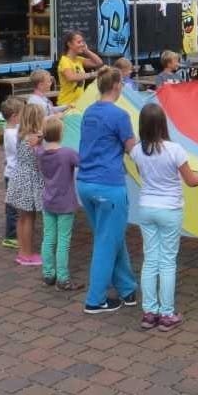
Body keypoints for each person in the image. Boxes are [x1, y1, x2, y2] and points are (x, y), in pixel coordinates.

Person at [131, 103, 198, 332]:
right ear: (162, 124)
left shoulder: (137, 151)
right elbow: (191, 181)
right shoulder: (175, 150)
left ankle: (149, 313)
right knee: (167, 261)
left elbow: (142, 174)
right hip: (169, 209)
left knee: (150, 260)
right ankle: (167, 314)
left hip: (146, 208)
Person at [77, 66, 139, 314]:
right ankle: (95, 300)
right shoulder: (120, 115)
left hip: (85, 183)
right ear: (115, 86)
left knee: (111, 238)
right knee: (106, 243)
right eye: (121, 83)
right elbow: (132, 149)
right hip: (108, 186)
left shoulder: (89, 112)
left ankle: (127, 288)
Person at [36, 117, 82, 291]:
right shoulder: (67, 153)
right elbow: (83, 162)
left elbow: (37, 146)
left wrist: (40, 138)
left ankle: (48, 274)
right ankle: (63, 278)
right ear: (61, 134)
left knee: (48, 238)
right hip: (65, 204)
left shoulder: (40, 153)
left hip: (48, 201)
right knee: (63, 241)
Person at [5, 103, 46, 267]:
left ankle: (22, 252)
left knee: (21, 218)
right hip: (29, 179)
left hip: (18, 177)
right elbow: (40, 159)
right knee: (29, 218)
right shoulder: (34, 139)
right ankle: (28, 254)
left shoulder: (21, 134)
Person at [0, 97, 25, 249]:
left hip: (14, 173)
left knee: (14, 205)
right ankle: (11, 236)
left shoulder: (13, 128)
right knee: (13, 208)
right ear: (15, 116)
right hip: (14, 174)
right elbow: (19, 151)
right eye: (22, 113)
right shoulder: (11, 134)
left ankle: (15, 233)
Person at [58, 31, 104, 107]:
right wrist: (92, 74)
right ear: (69, 44)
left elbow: (98, 63)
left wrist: (87, 51)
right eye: (79, 42)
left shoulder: (79, 59)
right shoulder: (64, 60)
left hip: (78, 103)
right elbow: (71, 77)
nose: (82, 44)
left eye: (83, 42)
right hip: (66, 104)